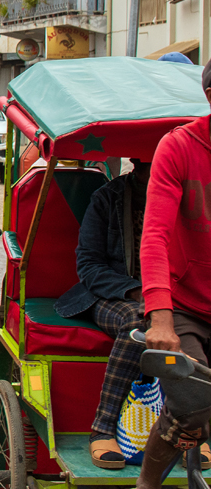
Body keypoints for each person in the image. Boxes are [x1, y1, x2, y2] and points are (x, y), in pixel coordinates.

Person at [54, 160, 206, 469]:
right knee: (139, 321)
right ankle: (103, 427)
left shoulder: (188, 200)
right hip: (112, 295)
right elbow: (89, 266)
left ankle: (191, 431)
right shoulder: (107, 199)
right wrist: (139, 292)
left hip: (174, 298)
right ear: (137, 166)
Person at [136, 60, 211, 489]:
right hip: (185, 305)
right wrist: (160, 318)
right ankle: (146, 485)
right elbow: (155, 237)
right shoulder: (180, 146)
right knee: (193, 404)